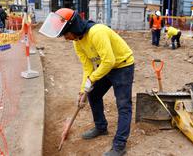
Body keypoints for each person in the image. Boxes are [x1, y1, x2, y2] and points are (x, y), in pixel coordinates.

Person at [39, 8, 134, 156]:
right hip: (105, 66)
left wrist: (92, 79)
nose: (65, 38)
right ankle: (101, 127)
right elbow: (88, 67)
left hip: (122, 65)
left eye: (65, 33)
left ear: (73, 27)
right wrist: (83, 89)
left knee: (123, 105)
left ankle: (119, 145)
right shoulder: (77, 41)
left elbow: (109, 61)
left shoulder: (97, 32)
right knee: (93, 94)